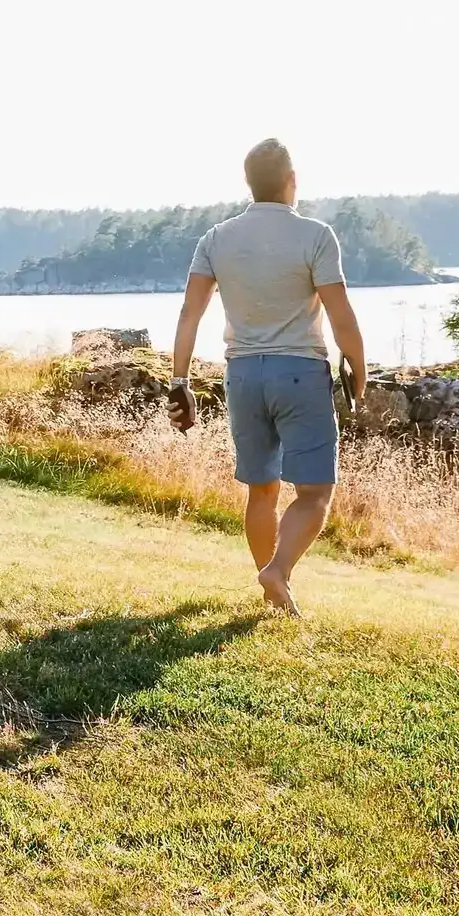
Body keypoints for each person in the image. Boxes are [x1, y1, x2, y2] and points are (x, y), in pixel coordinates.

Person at [166, 138, 367, 615]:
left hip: (242, 377)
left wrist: (181, 382)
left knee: (262, 490)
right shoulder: (315, 235)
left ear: (249, 185)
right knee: (315, 493)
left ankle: (273, 595)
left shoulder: (215, 238)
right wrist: (360, 372)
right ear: (292, 181)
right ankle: (278, 571)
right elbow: (342, 317)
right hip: (299, 371)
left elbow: (189, 315)